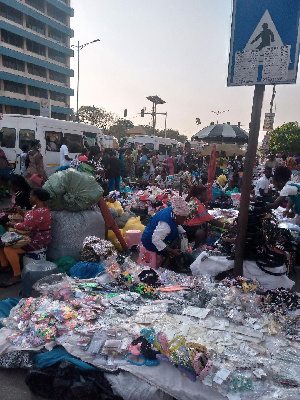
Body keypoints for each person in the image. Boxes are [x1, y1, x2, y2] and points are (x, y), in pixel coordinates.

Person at [0, 188, 51, 287]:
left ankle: (17, 275)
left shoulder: (38, 212)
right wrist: (21, 214)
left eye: (31, 196)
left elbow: (26, 226)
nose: (29, 198)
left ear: (35, 197)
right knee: (2, 242)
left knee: (9, 249)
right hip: (37, 235)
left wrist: (12, 224)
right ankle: (5, 266)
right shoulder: (42, 208)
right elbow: (29, 219)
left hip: (38, 239)